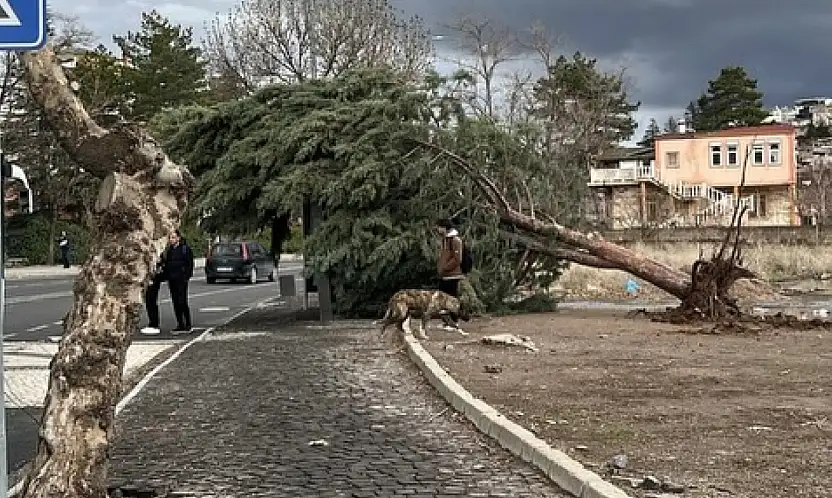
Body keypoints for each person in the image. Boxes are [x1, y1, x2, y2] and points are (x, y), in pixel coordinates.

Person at [435, 218, 464, 330]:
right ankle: (446, 322)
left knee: (452, 299)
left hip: (452, 275)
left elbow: (457, 259)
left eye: (439, 227)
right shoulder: (445, 240)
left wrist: (445, 268)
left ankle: (454, 322)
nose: (438, 229)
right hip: (444, 275)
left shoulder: (455, 240)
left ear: (444, 227)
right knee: (443, 299)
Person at [165, 230, 194, 334]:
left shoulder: (185, 249)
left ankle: (188, 323)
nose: (171, 240)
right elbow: (167, 264)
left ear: (178, 238)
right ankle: (180, 323)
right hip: (172, 279)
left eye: (173, 237)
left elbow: (190, 264)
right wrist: (167, 276)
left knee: (182, 301)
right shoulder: (169, 251)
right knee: (175, 302)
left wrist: (186, 276)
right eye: (170, 238)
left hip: (181, 279)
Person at [140, 252, 166, 335]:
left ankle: (154, 322)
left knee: (151, 301)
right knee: (148, 302)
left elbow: (160, 266)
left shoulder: (157, 255)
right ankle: (152, 321)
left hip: (153, 280)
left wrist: (154, 276)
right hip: (147, 280)